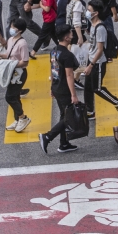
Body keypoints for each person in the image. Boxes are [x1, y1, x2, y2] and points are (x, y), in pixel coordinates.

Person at [39, 24, 80, 154]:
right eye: (71, 33)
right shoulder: (67, 55)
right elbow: (69, 75)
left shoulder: (54, 50)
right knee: (69, 117)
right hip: (64, 89)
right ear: (67, 37)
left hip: (56, 87)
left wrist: (52, 87)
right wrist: (74, 95)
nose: (73, 35)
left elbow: (53, 70)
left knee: (64, 115)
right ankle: (48, 136)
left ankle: (64, 143)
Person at [84, 0, 118, 118]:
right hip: (91, 60)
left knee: (97, 88)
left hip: (97, 63)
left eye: (89, 10)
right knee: (87, 87)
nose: (87, 12)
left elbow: (100, 49)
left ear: (96, 13)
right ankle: (89, 111)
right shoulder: (92, 24)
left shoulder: (100, 28)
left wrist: (91, 65)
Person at [0, 17, 32, 132]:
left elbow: (25, 61)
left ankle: (23, 118)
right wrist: (0, 55)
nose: (11, 29)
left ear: (20, 30)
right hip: (11, 72)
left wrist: (12, 64)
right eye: (11, 26)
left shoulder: (23, 43)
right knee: (15, 96)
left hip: (19, 74)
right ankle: (17, 120)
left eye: (13, 28)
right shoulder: (11, 39)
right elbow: (9, 54)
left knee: (9, 97)